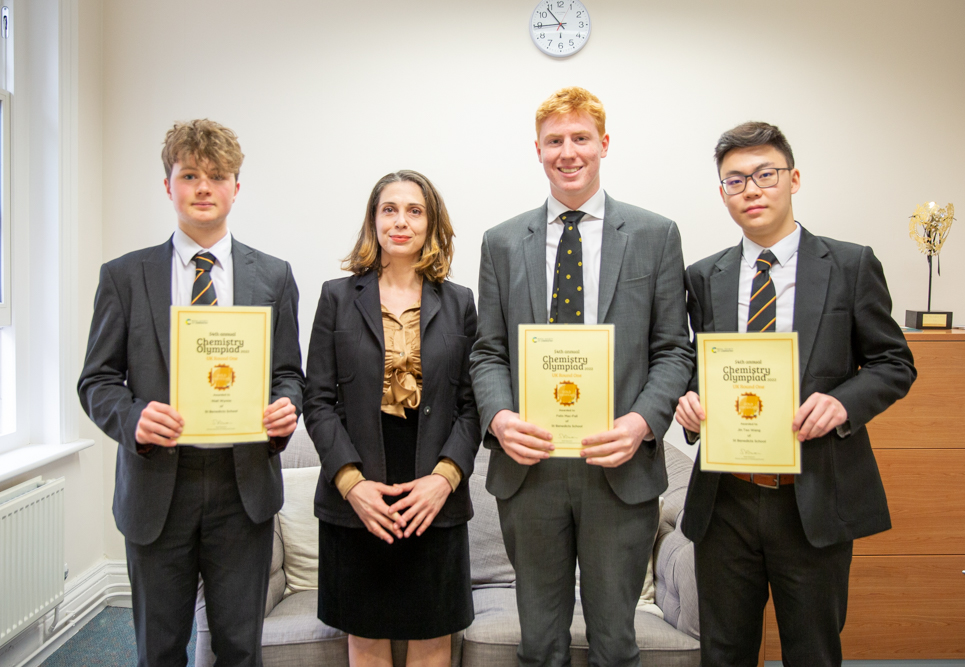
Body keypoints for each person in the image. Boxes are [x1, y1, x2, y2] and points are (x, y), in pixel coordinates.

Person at [675, 121, 917, 666]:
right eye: (735, 181)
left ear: (793, 179)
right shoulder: (703, 276)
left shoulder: (850, 265)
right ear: (722, 194)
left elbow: (892, 362)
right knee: (724, 652)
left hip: (814, 495)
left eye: (765, 174)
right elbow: (692, 366)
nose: (752, 190)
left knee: (813, 652)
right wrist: (688, 404)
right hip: (726, 498)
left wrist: (843, 403)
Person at [469, 87, 695, 666]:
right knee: (540, 643)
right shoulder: (501, 241)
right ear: (538, 150)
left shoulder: (654, 234)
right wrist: (498, 416)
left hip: (618, 471)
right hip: (531, 469)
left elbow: (673, 350)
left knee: (615, 643)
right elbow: (487, 352)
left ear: (603, 144)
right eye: (554, 141)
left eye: (580, 139)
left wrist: (643, 422)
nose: (567, 152)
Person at [78, 119, 305, 667]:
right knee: (158, 651)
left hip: (242, 487)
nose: (203, 187)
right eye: (189, 175)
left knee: (238, 649)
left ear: (235, 187)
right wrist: (132, 417)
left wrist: (286, 406)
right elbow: (97, 380)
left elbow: (289, 373)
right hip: (158, 487)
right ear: (168, 186)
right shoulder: (124, 277)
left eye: (217, 175)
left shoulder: (273, 276)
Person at [303, 170, 479, 666]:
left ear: (431, 223)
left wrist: (444, 479)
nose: (401, 221)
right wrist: (351, 483)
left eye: (414, 210)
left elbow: (473, 404)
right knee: (367, 642)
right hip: (358, 488)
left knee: (431, 640)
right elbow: (316, 400)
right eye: (389, 209)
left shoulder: (460, 301)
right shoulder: (337, 298)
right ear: (373, 220)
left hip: (434, 490)